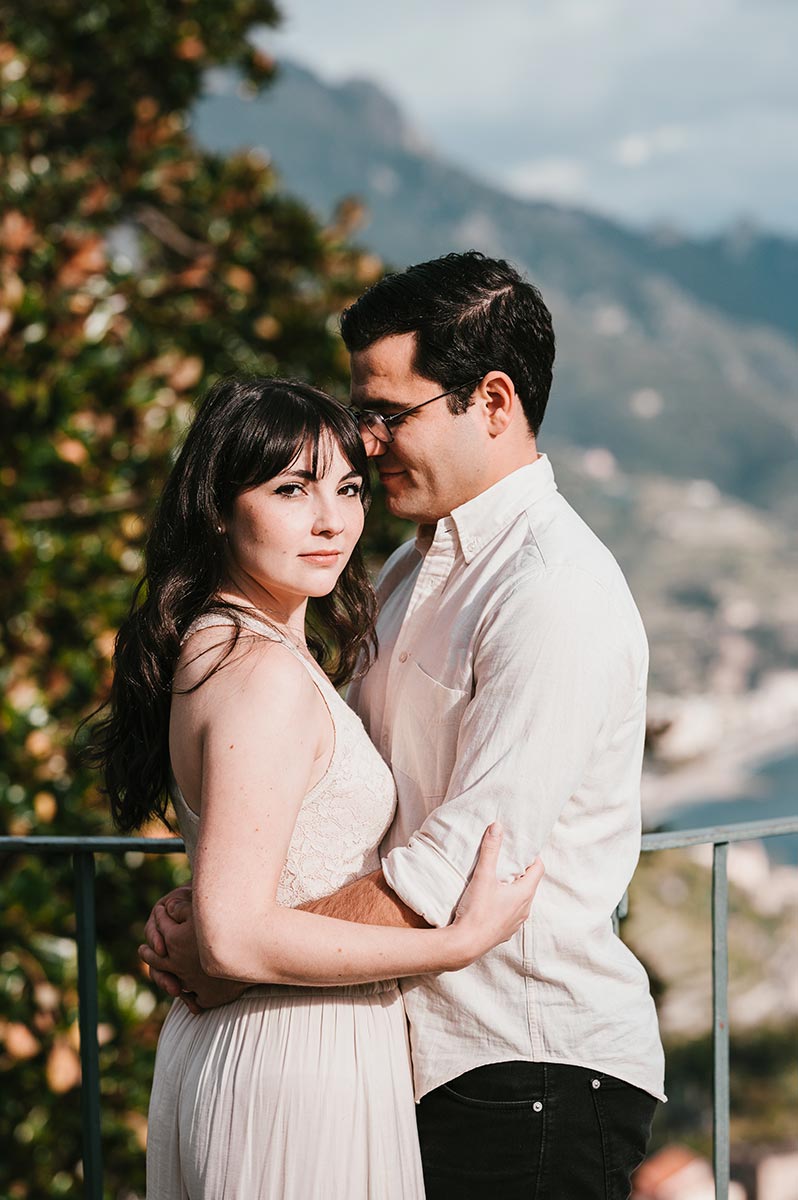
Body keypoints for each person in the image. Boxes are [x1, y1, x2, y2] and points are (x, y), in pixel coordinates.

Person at [142, 252, 666, 1200]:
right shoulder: (403, 574)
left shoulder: (550, 592)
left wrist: (238, 954)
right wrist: (235, 928)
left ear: (493, 401)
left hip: (523, 1063)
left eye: (388, 415)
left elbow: (460, 865)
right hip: (400, 1063)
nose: (367, 445)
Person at [94, 375, 543, 1200]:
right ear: (221, 508)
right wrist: (453, 945)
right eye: (291, 490)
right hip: (291, 1058)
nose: (332, 520)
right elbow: (231, 939)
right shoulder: (258, 669)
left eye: (347, 488)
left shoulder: (225, 642)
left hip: (271, 1047)